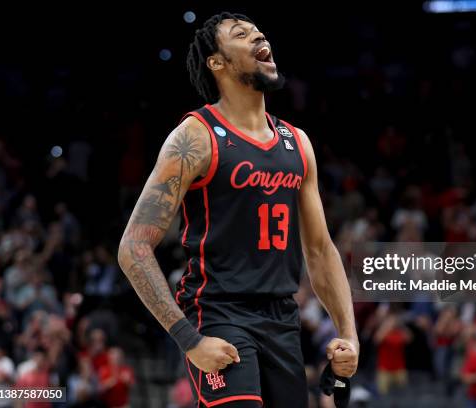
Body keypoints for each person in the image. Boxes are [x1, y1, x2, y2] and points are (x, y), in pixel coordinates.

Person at [118, 11, 358, 407]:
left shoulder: (297, 142)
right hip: (219, 312)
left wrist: (348, 333)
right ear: (217, 62)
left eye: (259, 31)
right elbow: (133, 247)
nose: (259, 36)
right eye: (242, 34)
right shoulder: (195, 135)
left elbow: (319, 249)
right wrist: (188, 339)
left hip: (283, 319)